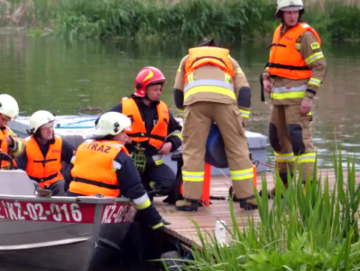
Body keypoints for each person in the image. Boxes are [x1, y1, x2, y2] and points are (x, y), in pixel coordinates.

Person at [173, 39, 257, 211]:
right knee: (237, 149)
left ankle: (190, 200)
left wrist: (186, 116)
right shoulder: (229, 60)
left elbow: (177, 92)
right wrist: (242, 121)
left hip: (195, 103)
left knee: (193, 150)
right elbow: (244, 92)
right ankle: (247, 198)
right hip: (225, 104)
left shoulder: (187, 59)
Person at [261, 0, 326, 197]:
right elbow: (273, 63)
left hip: (299, 102)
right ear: (280, 14)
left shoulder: (305, 36)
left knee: (300, 142)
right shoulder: (279, 32)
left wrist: (309, 96)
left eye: (296, 12)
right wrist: (265, 77)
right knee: (277, 141)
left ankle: (309, 191)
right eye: (288, 12)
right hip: (278, 100)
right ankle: (284, 187)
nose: (292, 16)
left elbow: (320, 67)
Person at [67, 111, 170, 229]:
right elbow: (137, 193)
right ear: (115, 133)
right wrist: (156, 221)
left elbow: (68, 178)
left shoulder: (82, 148)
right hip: (103, 208)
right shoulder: (120, 156)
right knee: (137, 226)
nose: (125, 137)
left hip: (75, 204)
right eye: (123, 132)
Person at [108, 66, 183, 203]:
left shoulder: (163, 110)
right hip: (130, 161)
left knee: (169, 184)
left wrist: (171, 144)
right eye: (155, 89)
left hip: (153, 161)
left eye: (160, 89)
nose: (159, 93)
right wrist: (119, 136)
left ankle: (144, 188)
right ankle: (138, 190)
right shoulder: (124, 107)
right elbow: (102, 124)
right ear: (143, 89)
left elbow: (178, 132)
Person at [15, 110, 75, 196]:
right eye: (46, 127)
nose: (50, 130)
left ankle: (62, 208)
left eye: (51, 126)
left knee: (62, 185)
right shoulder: (25, 145)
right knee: (27, 187)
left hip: (55, 183)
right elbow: (18, 171)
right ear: (36, 130)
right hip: (33, 184)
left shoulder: (60, 142)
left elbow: (76, 160)